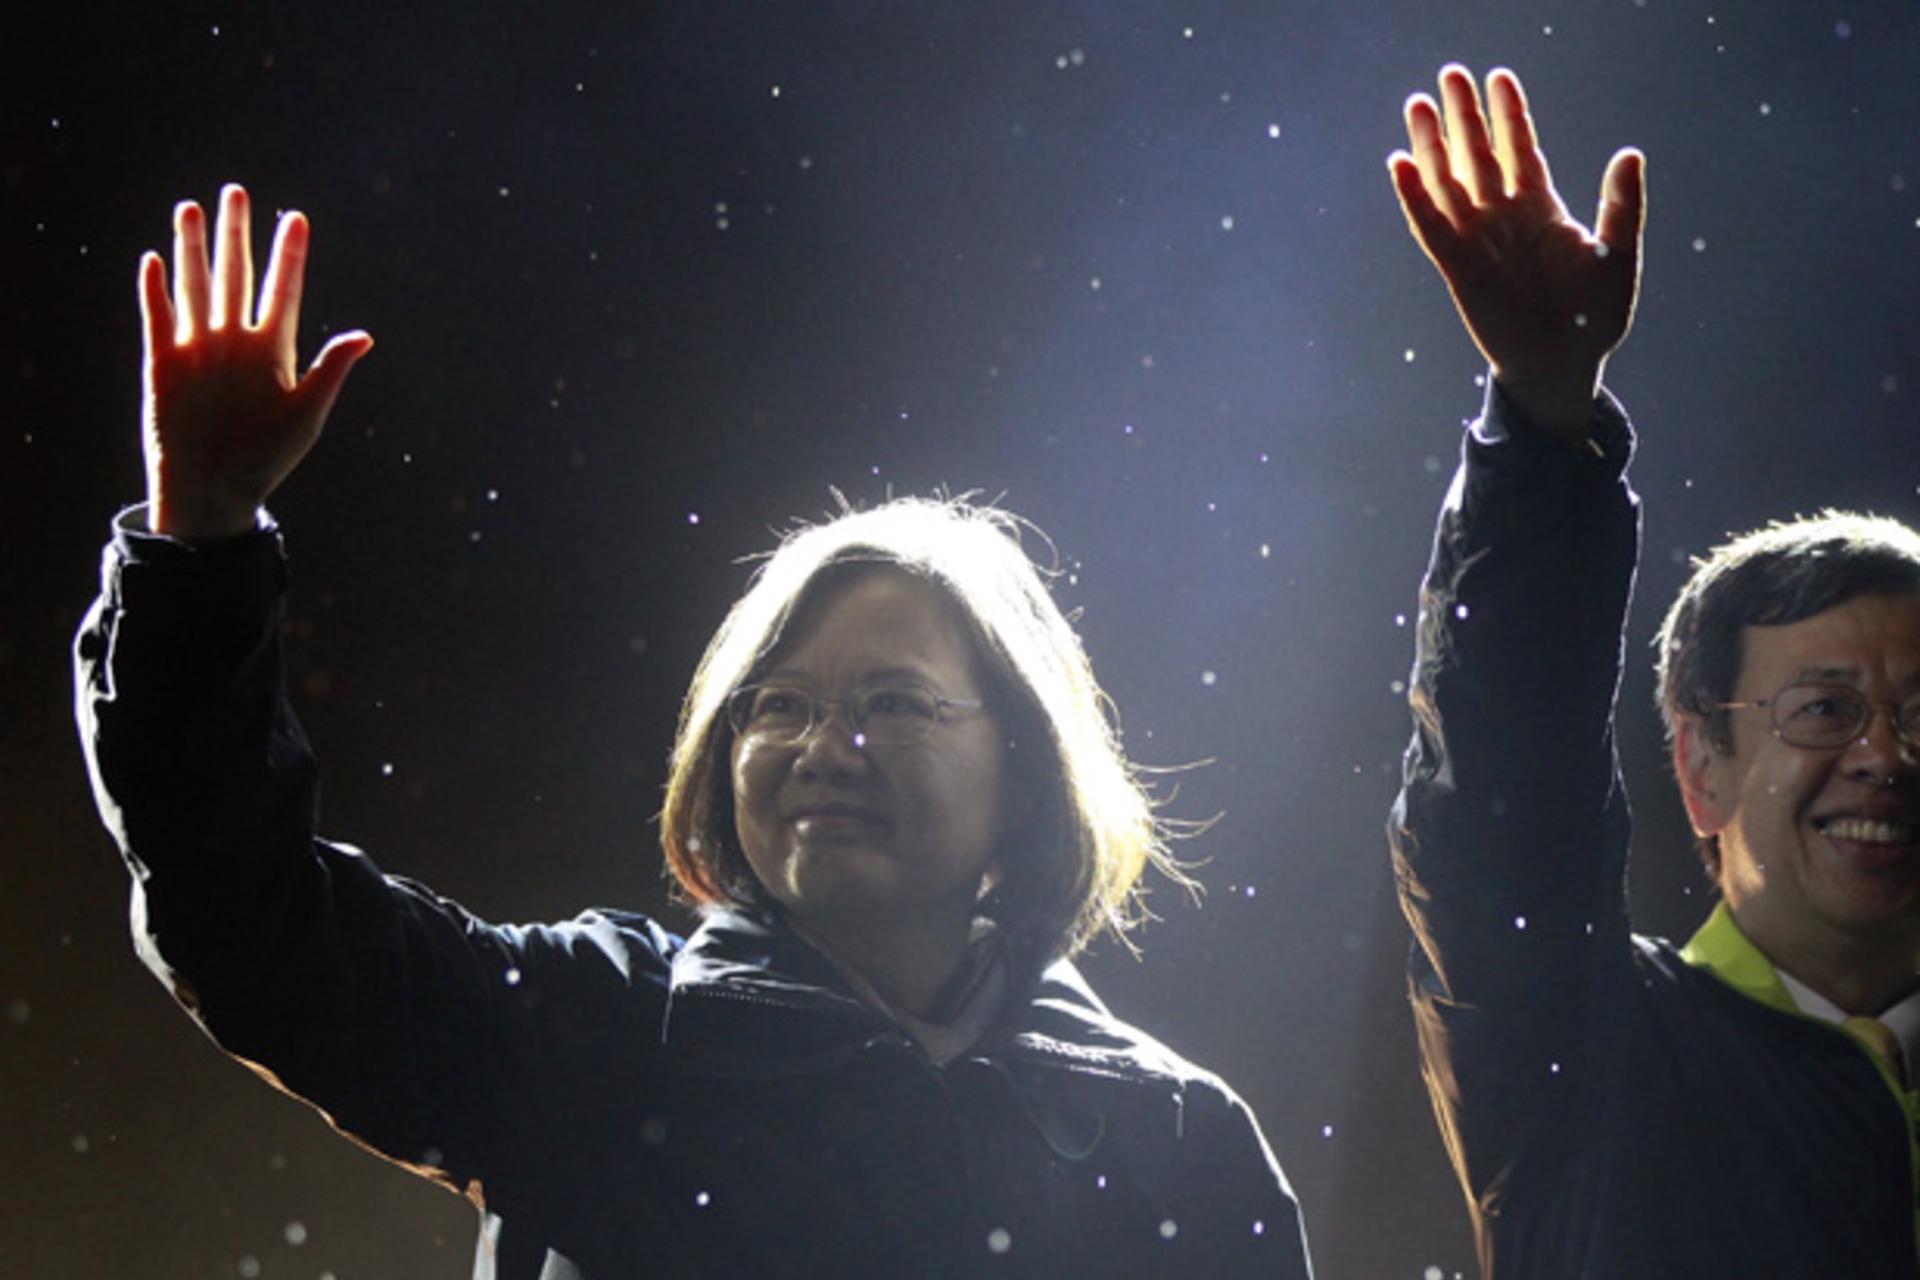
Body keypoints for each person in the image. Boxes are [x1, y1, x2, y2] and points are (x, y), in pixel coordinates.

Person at [74, 184, 1313, 1280]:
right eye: (779, 703)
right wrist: (203, 537)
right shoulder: (605, 1032)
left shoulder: (1176, 1142)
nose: (827, 745)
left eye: (892, 699)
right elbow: (248, 917)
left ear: (1027, 763)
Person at [1387, 64, 1920, 1278]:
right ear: (1699, 766)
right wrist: (1542, 422)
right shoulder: (1577, 1040)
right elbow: (1499, 804)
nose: (1885, 754)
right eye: (1825, 707)